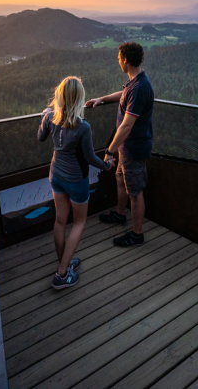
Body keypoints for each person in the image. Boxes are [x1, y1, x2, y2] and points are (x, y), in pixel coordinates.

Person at [38, 76, 114, 289]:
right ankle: (62, 275)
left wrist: (44, 116)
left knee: (60, 222)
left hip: (56, 176)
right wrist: (107, 165)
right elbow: (90, 158)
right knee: (79, 223)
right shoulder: (83, 127)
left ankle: (64, 263)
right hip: (76, 180)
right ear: (79, 99)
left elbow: (40, 137)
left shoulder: (50, 117)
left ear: (60, 97)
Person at [86, 41, 154, 247]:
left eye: (118, 59)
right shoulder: (135, 82)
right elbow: (124, 95)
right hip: (126, 148)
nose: (118, 62)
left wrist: (109, 151)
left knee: (135, 192)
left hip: (133, 148)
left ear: (125, 60)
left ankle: (136, 234)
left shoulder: (140, 87)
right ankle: (119, 215)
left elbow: (126, 126)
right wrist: (103, 98)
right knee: (121, 181)